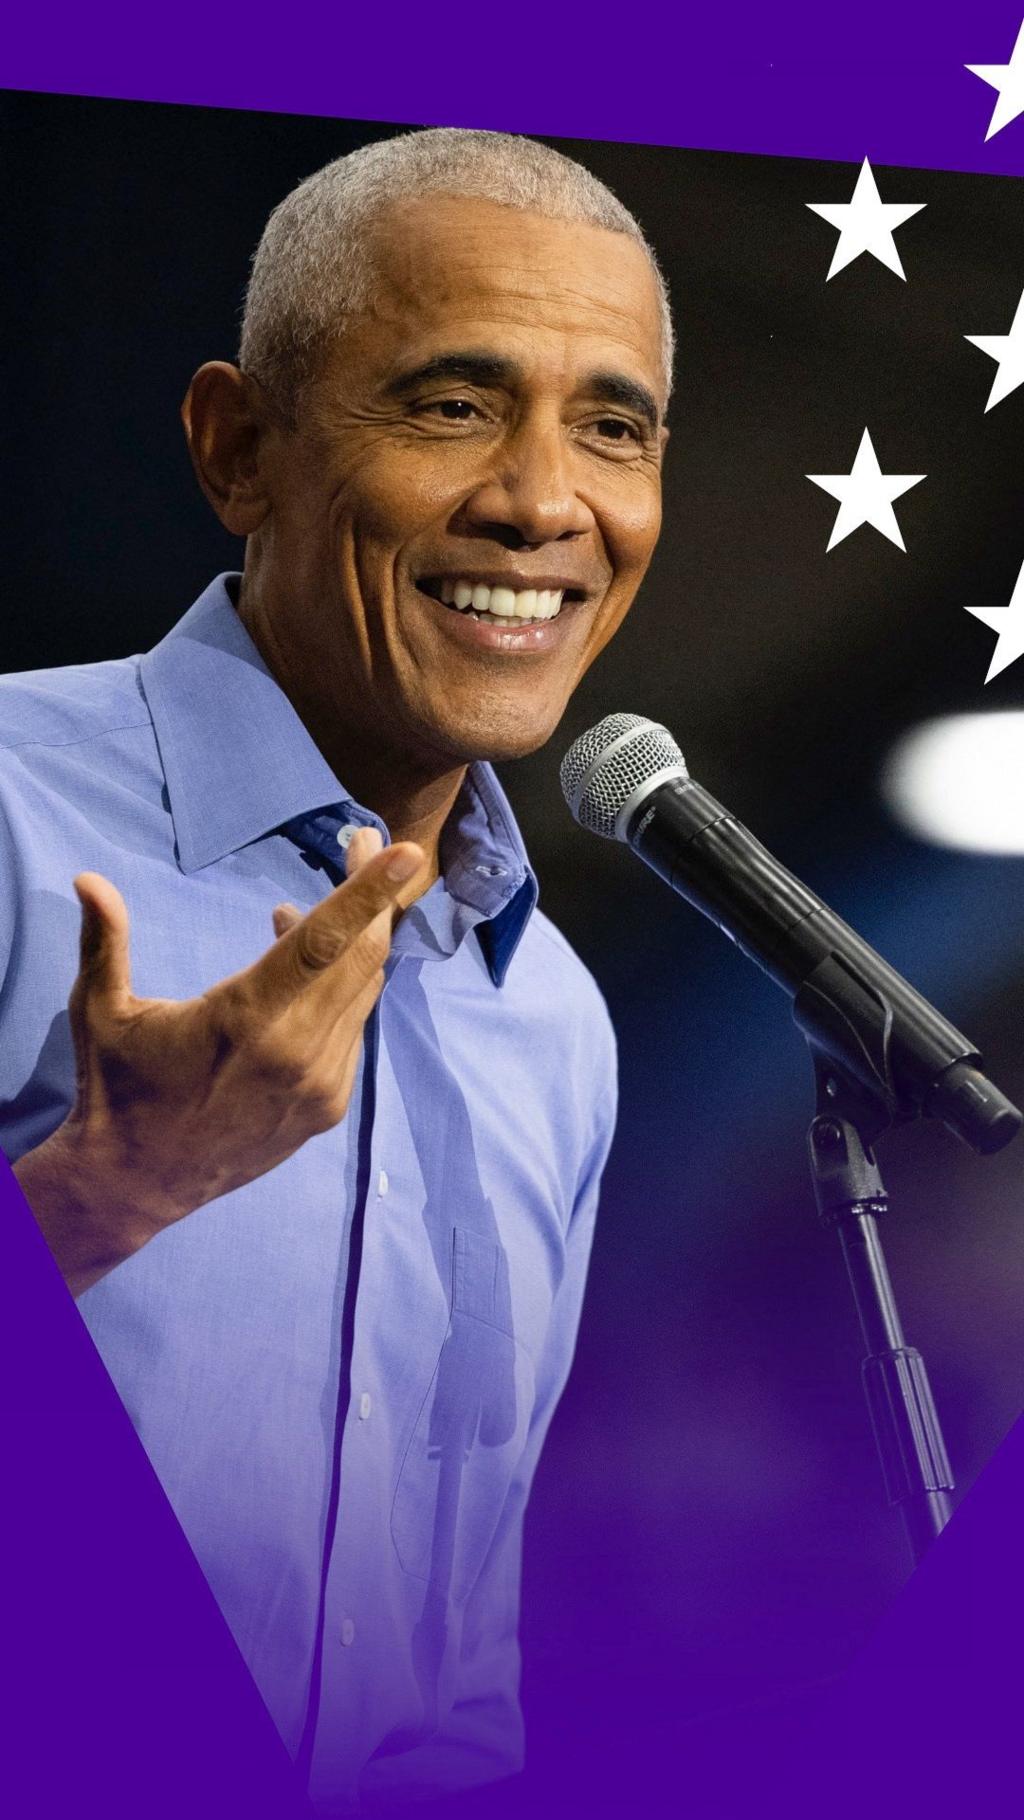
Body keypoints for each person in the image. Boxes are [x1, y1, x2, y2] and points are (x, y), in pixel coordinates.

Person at [0, 128, 671, 1813]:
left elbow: (449, 1666)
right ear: (240, 449)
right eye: (452, 405)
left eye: (614, 426)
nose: (542, 500)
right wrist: (97, 1195)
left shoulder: (558, 1023)